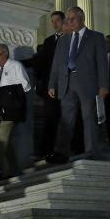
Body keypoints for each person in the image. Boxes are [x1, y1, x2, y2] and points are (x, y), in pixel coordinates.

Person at [47, 6, 109, 162]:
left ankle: (92, 151)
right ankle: (61, 152)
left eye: (72, 18)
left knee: (89, 117)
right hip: (66, 83)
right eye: (67, 19)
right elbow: (57, 64)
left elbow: (102, 63)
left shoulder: (96, 37)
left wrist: (104, 85)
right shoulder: (63, 39)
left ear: (82, 18)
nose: (69, 21)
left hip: (88, 84)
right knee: (66, 119)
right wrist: (52, 84)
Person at [0, 43, 31, 180]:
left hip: (12, 109)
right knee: (7, 141)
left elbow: (26, 85)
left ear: (5, 53)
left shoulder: (15, 66)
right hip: (1, 110)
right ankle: (14, 170)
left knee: (2, 137)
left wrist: (10, 94)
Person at [28, 10, 66, 158]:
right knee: (50, 118)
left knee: (67, 119)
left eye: (57, 20)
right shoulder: (49, 41)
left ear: (63, 21)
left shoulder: (72, 38)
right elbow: (40, 60)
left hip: (68, 87)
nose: (54, 24)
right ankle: (46, 150)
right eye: (52, 21)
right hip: (51, 88)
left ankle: (66, 149)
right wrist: (21, 63)